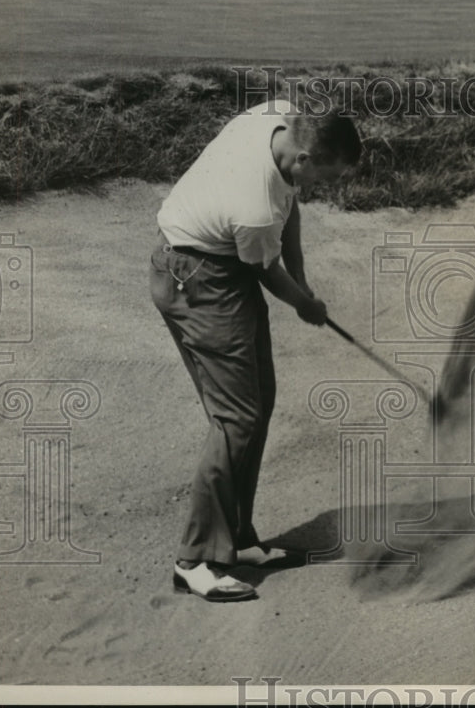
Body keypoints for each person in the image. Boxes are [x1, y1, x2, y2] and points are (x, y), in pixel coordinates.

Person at [149, 98, 361, 602]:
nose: (321, 188)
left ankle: (237, 540)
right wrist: (304, 305)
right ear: (304, 159)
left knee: (258, 401)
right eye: (324, 177)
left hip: (216, 265)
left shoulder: (280, 116)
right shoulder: (256, 205)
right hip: (197, 279)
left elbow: (291, 205)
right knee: (235, 418)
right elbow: (267, 271)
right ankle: (195, 560)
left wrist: (306, 284)